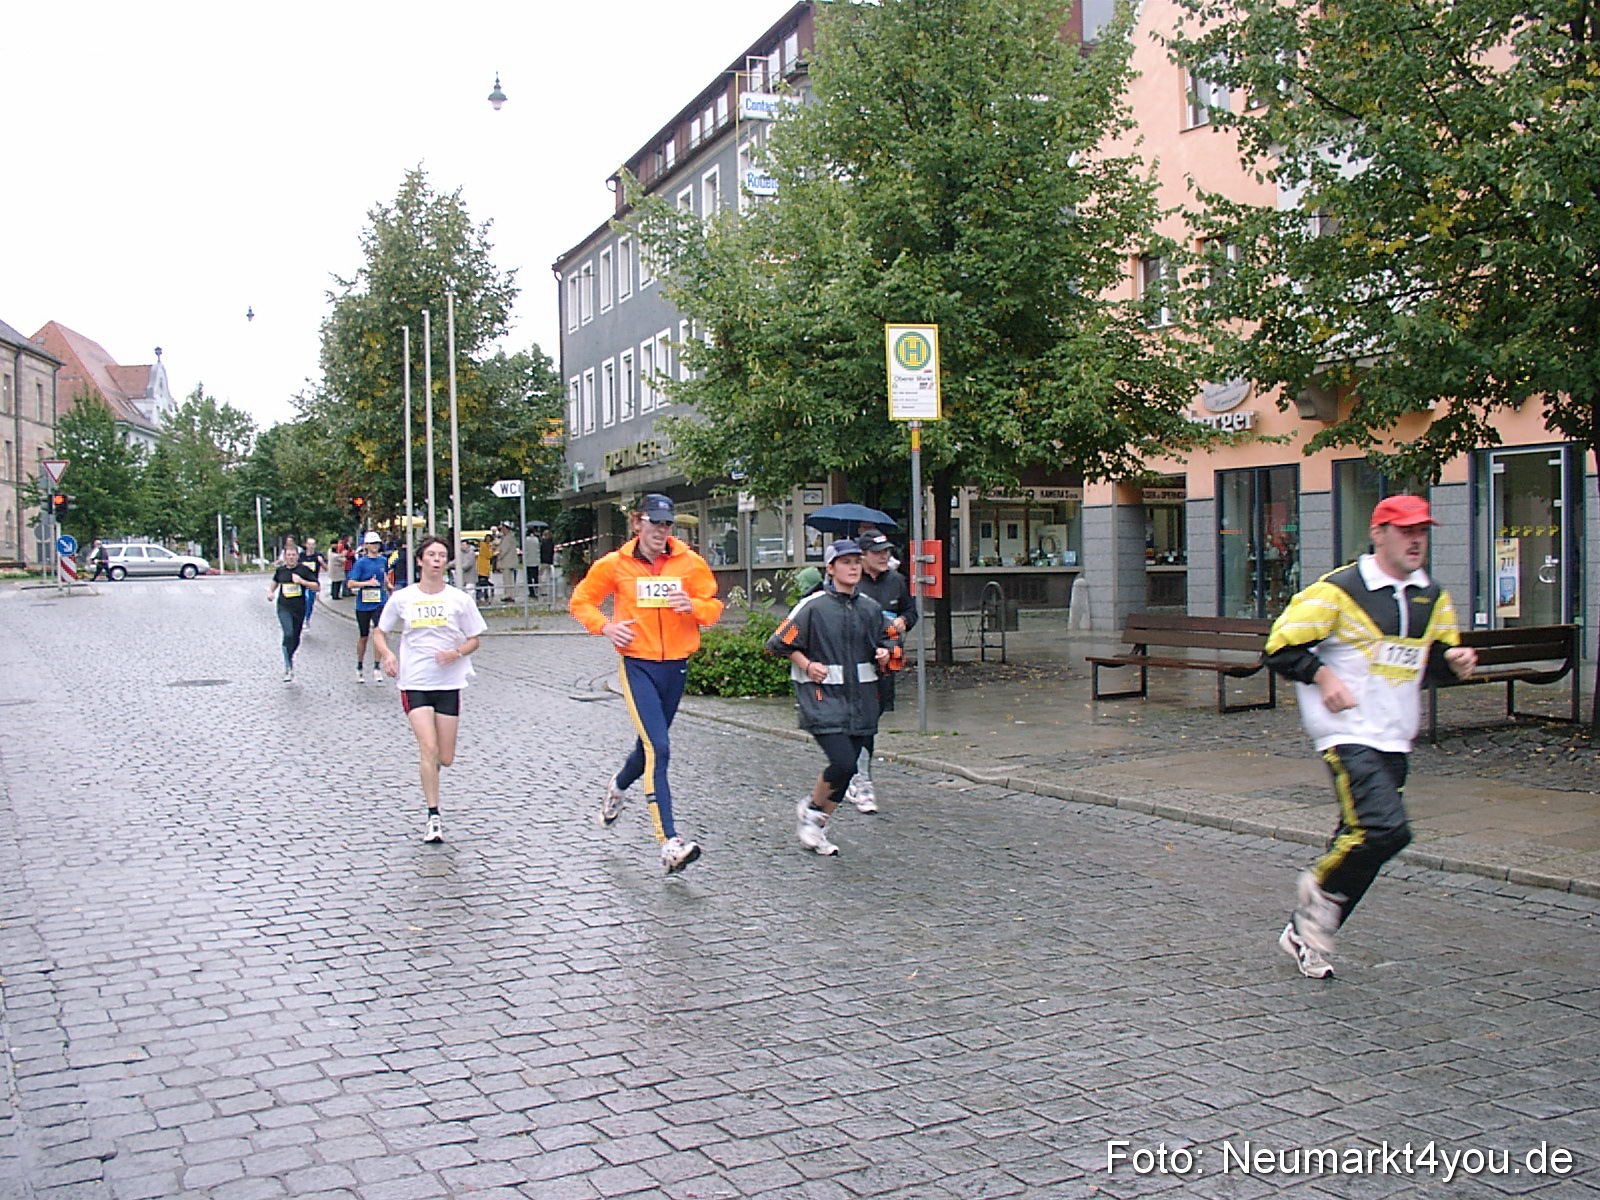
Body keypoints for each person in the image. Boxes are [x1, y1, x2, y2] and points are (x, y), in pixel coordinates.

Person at [1265, 495, 1477, 978]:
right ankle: (1316, 889)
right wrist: (1323, 677)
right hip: (1345, 732)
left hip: (1396, 735)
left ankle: (1306, 932)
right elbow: (1279, 647)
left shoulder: (1432, 595)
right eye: (1405, 530)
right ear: (1378, 533)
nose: (1416, 539)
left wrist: (1454, 664)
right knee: (1384, 829)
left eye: (1422, 530)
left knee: (1364, 844)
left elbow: (1432, 663)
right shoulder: (1339, 590)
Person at [570, 493, 723, 874]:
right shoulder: (615, 564)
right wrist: (606, 627)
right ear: (637, 522)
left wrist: (694, 607)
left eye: (667, 524)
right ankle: (669, 842)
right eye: (654, 522)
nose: (661, 531)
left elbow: (713, 606)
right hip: (638, 665)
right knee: (660, 747)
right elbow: (581, 601)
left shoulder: (689, 563)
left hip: (676, 666)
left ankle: (618, 787)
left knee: (649, 748)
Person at [767, 539, 891, 857]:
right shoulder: (814, 607)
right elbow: (778, 642)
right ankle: (812, 814)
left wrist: (887, 654)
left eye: (856, 561)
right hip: (821, 698)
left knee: (847, 770)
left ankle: (815, 820)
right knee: (843, 761)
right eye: (845, 562)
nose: (852, 567)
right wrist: (807, 665)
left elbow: (896, 645)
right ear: (831, 568)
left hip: (862, 702)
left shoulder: (871, 609)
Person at [373, 535, 488, 843]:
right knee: (428, 747)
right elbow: (380, 631)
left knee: (445, 757)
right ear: (421, 560)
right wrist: (387, 655)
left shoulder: (459, 599)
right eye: (432, 554)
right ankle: (433, 816)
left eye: (442, 555)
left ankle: (432, 766)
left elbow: (475, 638)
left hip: (449, 683)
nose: (437, 559)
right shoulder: (403, 598)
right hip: (415, 682)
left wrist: (457, 653)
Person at [849, 531, 919, 814]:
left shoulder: (897, 581)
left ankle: (854, 771)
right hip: (853, 665)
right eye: (877, 552)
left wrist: (903, 621)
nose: (884, 556)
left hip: (886, 664)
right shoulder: (849, 582)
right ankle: (859, 778)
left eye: (887, 551)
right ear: (862, 556)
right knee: (857, 721)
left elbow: (911, 611)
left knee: (870, 722)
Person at [267, 544, 319, 683]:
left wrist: (302, 581)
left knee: (295, 638)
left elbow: (316, 586)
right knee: (288, 633)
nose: (291, 557)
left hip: (299, 608)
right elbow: (275, 581)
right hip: (284, 607)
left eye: (293, 555)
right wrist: (271, 592)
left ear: (297, 556)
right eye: (288, 555)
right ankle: (288, 665)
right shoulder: (281, 570)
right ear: (285, 557)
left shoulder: (303, 569)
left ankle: (289, 655)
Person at [347, 531, 390, 684]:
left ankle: (377, 667)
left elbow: (383, 574)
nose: (375, 546)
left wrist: (388, 585)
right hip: (363, 604)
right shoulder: (360, 563)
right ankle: (359, 666)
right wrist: (366, 584)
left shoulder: (383, 560)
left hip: (379, 602)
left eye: (377, 544)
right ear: (365, 546)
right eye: (372, 544)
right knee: (364, 636)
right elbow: (351, 583)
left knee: (379, 633)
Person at [301, 537, 327, 625]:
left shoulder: (318, 555)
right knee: (304, 599)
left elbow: (326, 569)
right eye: (309, 544)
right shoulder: (301, 555)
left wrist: (321, 562)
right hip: (302, 582)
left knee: (310, 601)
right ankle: (301, 617)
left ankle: (307, 618)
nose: (311, 546)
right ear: (306, 545)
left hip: (313, 582)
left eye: (313, 544)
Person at [493, 522, 520, 604]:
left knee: (507, 579)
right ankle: (509, 594)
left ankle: (508, 595)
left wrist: (499, 555)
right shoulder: (510, 537)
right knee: (509, 579)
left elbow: (504, 549)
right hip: (509, 561)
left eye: (503, 529)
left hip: (507, 561)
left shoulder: (507, 538)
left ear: (506, 529)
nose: (502, 531)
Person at [475, 535, 495, 604]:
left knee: (483, 582)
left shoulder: (487, 546)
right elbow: (488, 555)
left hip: (485, 567)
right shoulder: (484, 546)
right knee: (483, 583)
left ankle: (482, 597)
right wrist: (493, 552)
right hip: (482, 567)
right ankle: (483, 597)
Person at [539, 528, 556, 600]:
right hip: (550, 561)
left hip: (544, 561)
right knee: (548, 576)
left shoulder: (544, 543)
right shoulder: (551, 543)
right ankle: (550, 589)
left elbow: (542, 551)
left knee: (541, 576)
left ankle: (543, 591)